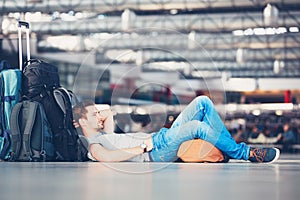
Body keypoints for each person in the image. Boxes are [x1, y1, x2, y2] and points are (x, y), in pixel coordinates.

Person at [73, 96, 280, 163]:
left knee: (202, 102)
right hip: (154, 153)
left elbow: (109, 111)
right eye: (94, 116)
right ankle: (246, 153)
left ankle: (227, 150)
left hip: (159, 138)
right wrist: (143, 148)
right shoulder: (93, 144)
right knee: (196, 127)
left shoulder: (104, 134)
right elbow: (107, 158)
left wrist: (94, 110)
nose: (99, 118)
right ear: (81, 123)